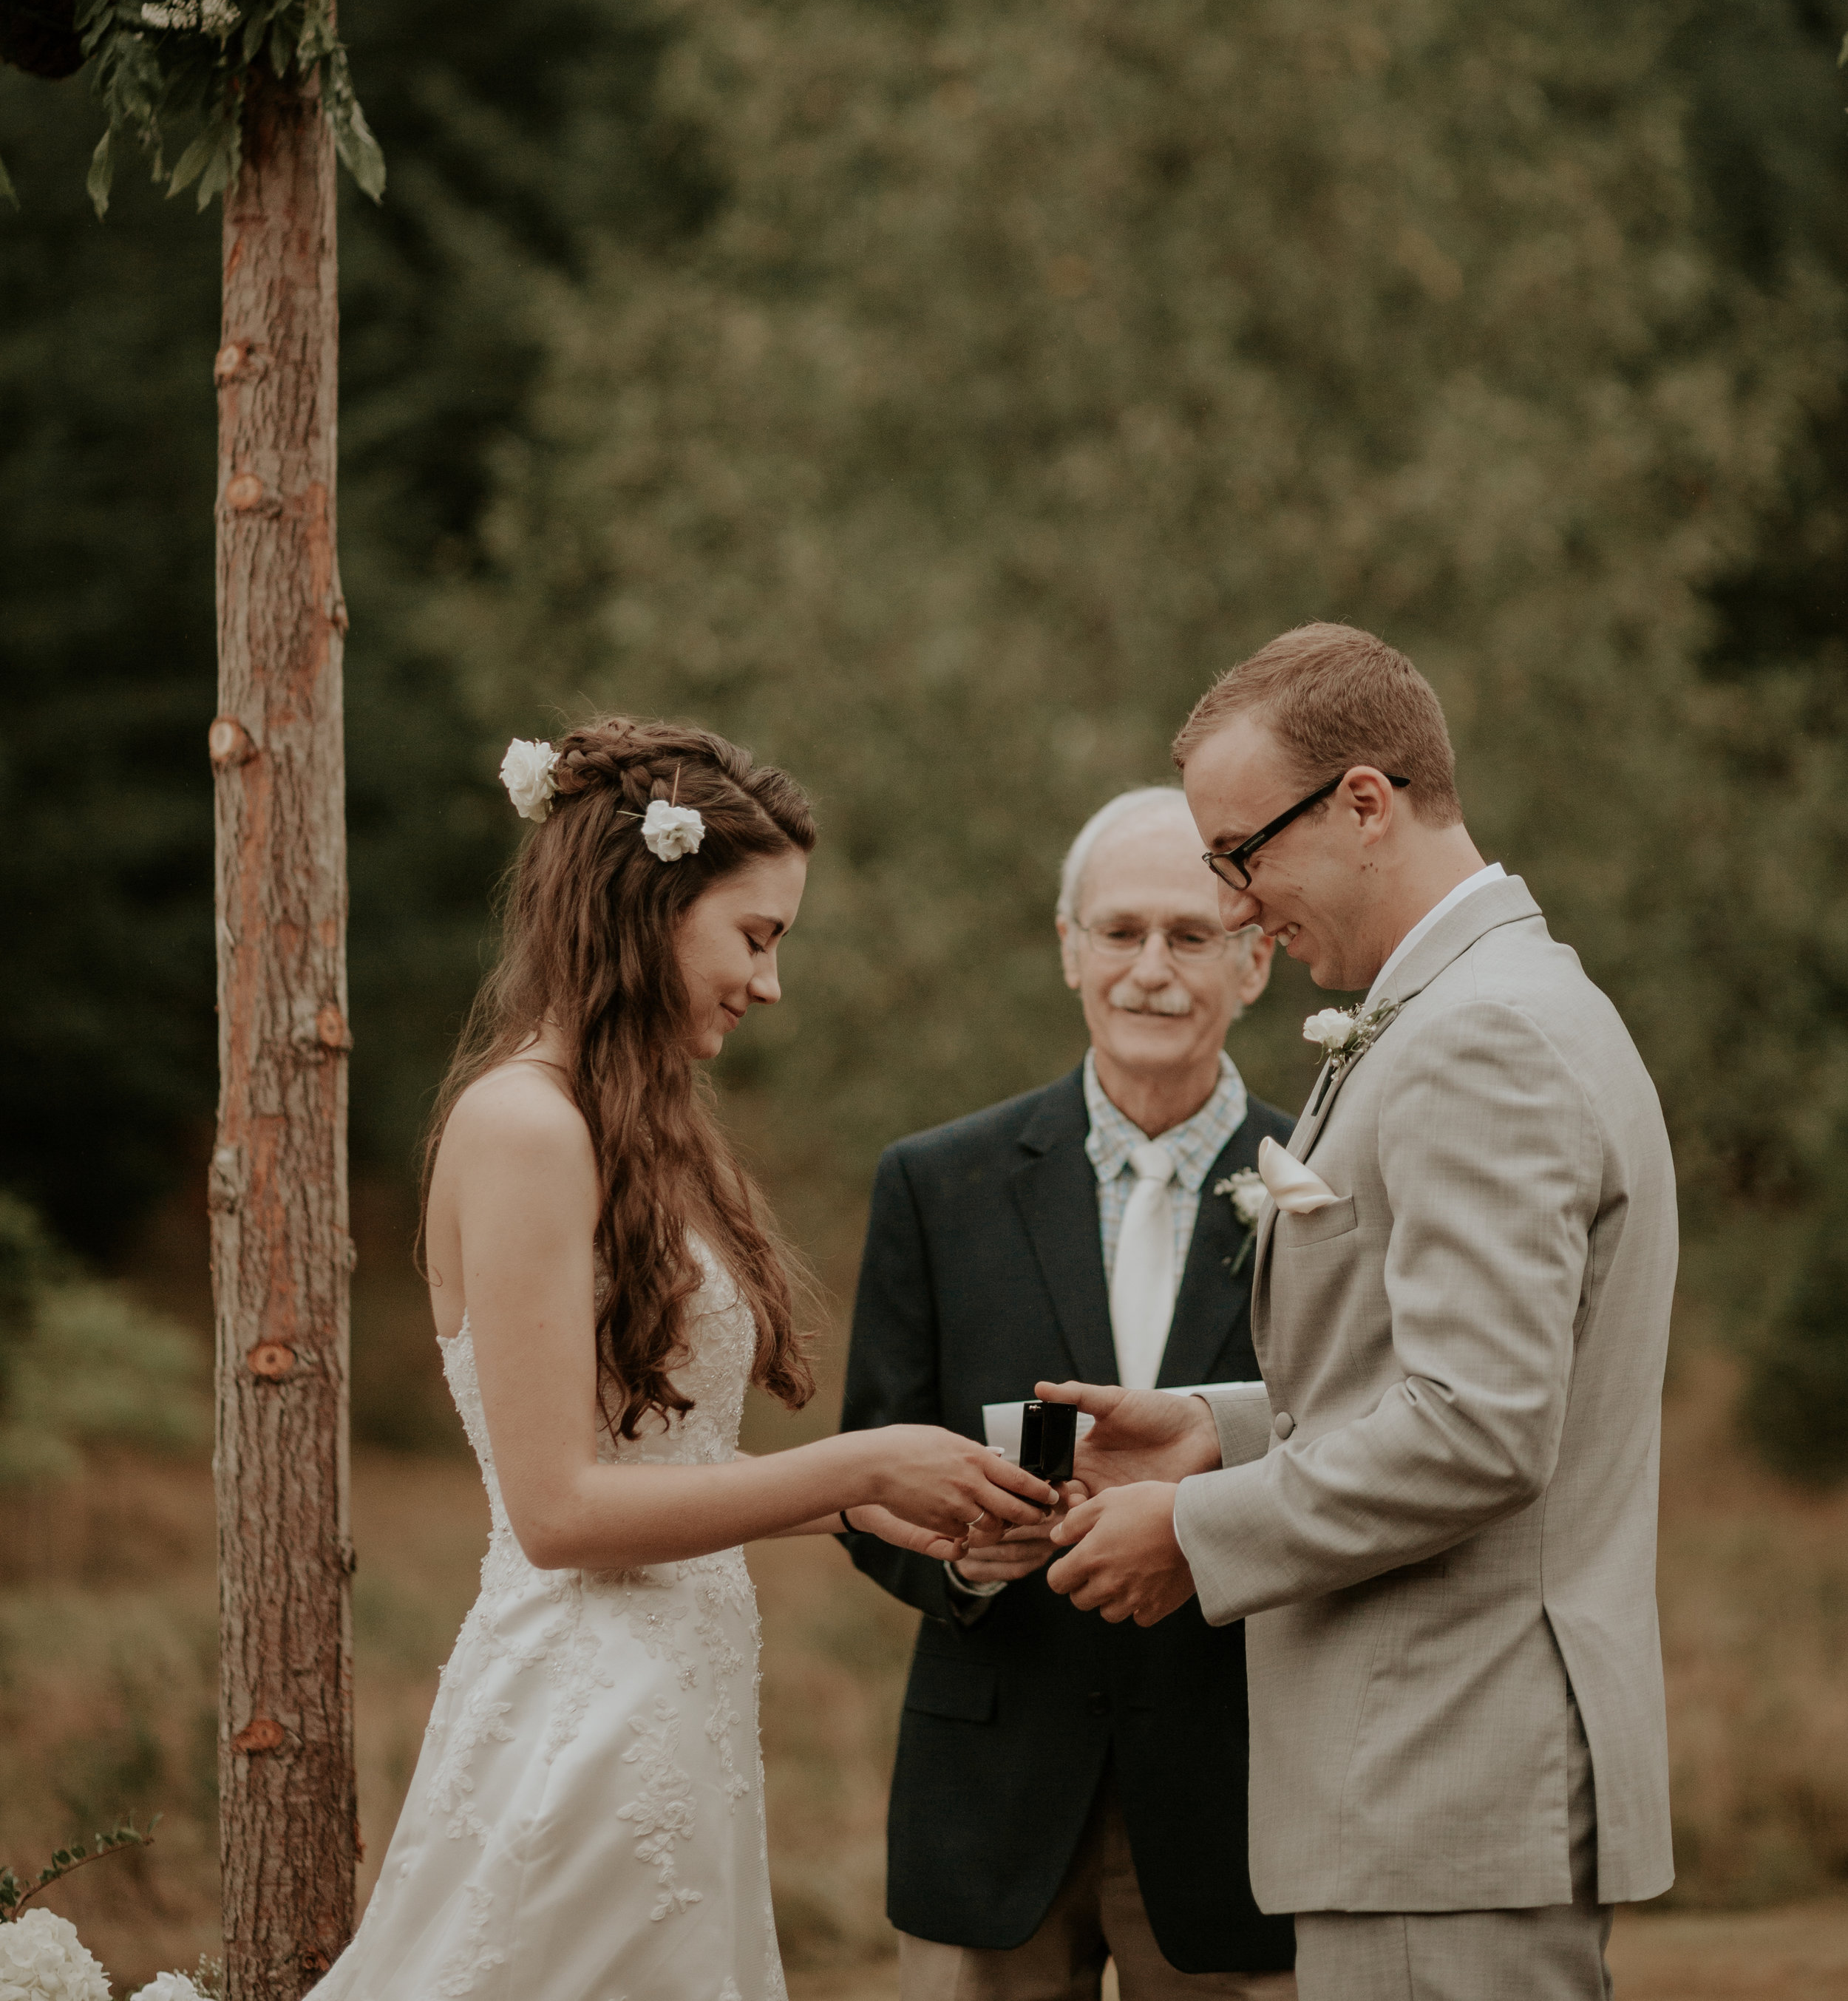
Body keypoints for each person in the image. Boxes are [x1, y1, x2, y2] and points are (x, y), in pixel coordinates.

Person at [307, 714, 1055, 2001]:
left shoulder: (642, 1132)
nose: (769, 983)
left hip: (679, 1701)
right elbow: (558, 1511)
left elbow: (661, 1470)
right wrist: (853, 1459)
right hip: (583, 1717)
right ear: (646, 908)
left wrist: (871, 1503)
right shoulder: (525, 1128)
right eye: (755, 937)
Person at [1039, 625, 1679, 2001]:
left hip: (1444, 1777)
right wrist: (1212, 1433)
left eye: (1239, 853)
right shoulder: (1480, 1003)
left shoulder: (1478, 1038)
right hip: (1435, 1794)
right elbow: (1448, 1373)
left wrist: (1196, 1536)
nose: (1238, 902)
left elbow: (1481, 1426)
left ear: (1367, 802)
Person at [840, 785, 1299, 2000]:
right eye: (1120, 931)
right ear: (1067, 949)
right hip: (989, 1793)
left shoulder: (1327, 1187)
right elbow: (862, 1471)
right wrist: (954, 1560)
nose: (1150, 967)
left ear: (1255, 959)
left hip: (1240, 1785)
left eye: (1191, 935)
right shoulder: (937, 1183)